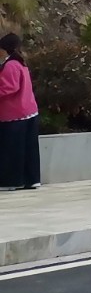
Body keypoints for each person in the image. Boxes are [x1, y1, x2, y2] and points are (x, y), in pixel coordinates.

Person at [0, 32, 41, 190]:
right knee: (29, 149)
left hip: (14, 114)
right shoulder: (21, 63)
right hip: (29, 111)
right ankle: (32, 179)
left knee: (12, 149)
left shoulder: (10, 65)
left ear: (5, 49)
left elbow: (9, 87)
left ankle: (12, 181)